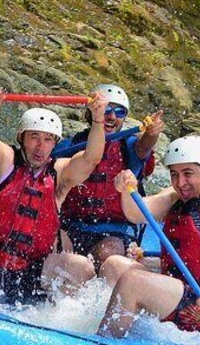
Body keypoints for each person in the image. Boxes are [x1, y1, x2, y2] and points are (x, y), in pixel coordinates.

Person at [95, 136, 200, 339]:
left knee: (134, 281)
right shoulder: (179, 196)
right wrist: (127, 189)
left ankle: (104, 342)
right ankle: (123, 324)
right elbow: (136, 213)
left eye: (188, 174)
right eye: (174, 174)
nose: (180, 182)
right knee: (114, 265)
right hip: (181, 290)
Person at [0, 87, 109, 311]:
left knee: (82, 267)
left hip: (32, 271)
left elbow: (91, 159)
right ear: (22, 138)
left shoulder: (59, 174)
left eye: (48, 139)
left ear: (55, 143)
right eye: (34, 137)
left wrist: (98, 120)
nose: (40, 147)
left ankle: (53, 321)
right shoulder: (3, 160)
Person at [57, 84, 164, 266]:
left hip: (115, 230)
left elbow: (144, 146)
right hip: (71, 225)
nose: (112, 116)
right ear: (92, 113)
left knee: (106, 254)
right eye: (107, 109)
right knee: (62, 258)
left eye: (119, 112)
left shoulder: (129, 147)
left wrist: (152, 134)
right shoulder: (70, 146)